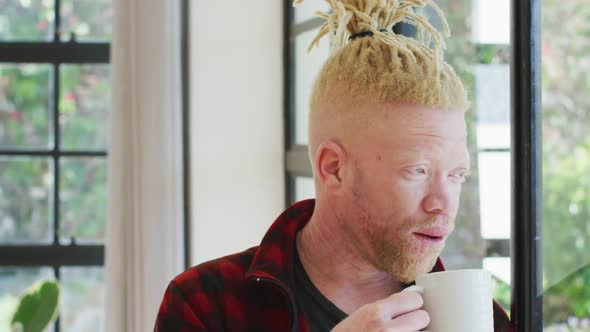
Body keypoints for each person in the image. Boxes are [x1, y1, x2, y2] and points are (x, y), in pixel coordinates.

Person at [154, 0, 513, 331]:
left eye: (456, 175)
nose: (443, 203)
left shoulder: (482, 319)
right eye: (417, 171)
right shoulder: (205, 305)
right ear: (334, 168)